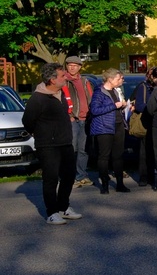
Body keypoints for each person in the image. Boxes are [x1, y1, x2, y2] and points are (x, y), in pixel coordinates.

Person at [23, 63, 83, 225]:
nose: (66, 77)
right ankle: (52, 212)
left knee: (69, 176)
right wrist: (40, 133)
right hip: (47, 145)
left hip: (65, 142)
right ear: (52, 79)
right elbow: (27, 121)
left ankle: (63, 207)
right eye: (62, 76)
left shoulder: (61, 94)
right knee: (50, 179)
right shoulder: (37, 98)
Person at [88, 68, 129, 194]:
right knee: (104, 156)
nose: (121, 81)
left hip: (118, 125)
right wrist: (114, 106)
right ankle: (104, 186)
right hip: (104, 127)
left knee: (118, 156)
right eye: (119, 78)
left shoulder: (116, 91)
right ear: (110, 79)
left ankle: (120, 184)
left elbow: (117, 107)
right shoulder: (99, 92)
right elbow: (95, 110)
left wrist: (124, 107)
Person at [62, 56, 95, 189]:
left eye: (75, 65)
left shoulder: (85, 81)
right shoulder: (63, 81)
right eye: (70, 65)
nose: (72, 67)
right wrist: (68, 115)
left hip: (85, 119)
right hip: (72, 119)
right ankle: (68, 176)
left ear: (80, 67)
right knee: (71, 148)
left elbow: (91, 98)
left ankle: (81, 175)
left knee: (84, 149)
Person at [131, 69, 155, 187]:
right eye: (151, 74)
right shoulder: (143, 87)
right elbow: (139, 105)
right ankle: (144, 177)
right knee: (145, 151)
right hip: (146, 122)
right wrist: (153, 108)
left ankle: (154, 175)